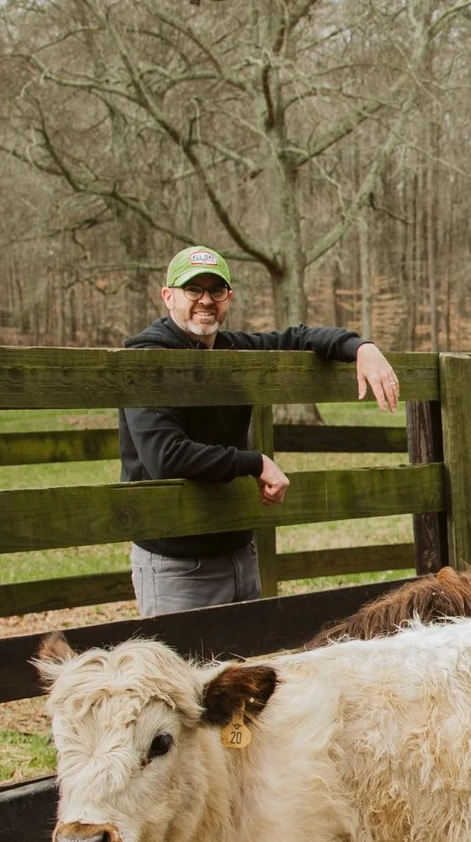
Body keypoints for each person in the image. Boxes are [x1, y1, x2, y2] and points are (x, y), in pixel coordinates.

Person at [120, 245, 401, 617]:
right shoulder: (146, 356)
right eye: (193, 290)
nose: (205, 301)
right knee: (183, 675)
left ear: (228, 298)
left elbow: (300, 337)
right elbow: (165, 457)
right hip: (176, 562)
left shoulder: (234, 350)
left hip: (238, 550)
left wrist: (362, 347)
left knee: (248, 671)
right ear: (168, 296)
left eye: (215, 291)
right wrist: (255, 463)